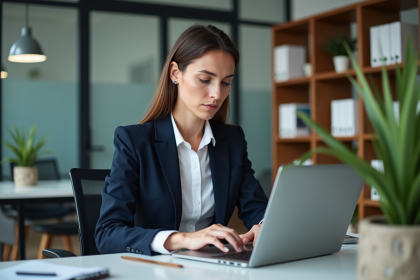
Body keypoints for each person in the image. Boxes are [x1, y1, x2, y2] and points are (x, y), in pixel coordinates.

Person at [95, 24, 268, 256]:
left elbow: (255, 205)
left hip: (211, 267)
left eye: (226, 82)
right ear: (175, 73)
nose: (217, 94)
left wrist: (264, 226)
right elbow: (107, 233)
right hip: (154, 267)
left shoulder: (232, 141)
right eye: (205, 79)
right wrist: (183, 239)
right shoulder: (135, 142)